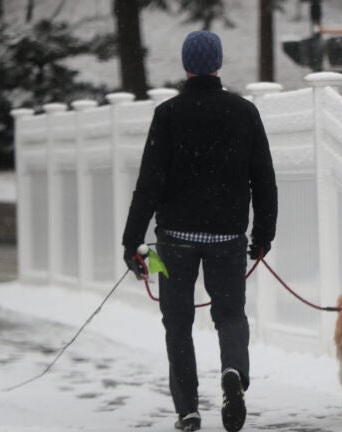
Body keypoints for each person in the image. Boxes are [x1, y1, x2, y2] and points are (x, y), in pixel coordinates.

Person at [121, 30, 278, 432]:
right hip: (227, 237)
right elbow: (263, 180)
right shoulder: (244, 112)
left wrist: (132, 241)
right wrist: (263, 234)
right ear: (218, 64)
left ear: (187, 66)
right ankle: (232, 370)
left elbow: (149, 183)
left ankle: (188, 410)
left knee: (177, 320)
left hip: (173, 240)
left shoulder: (169, 114)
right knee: (229, 314)